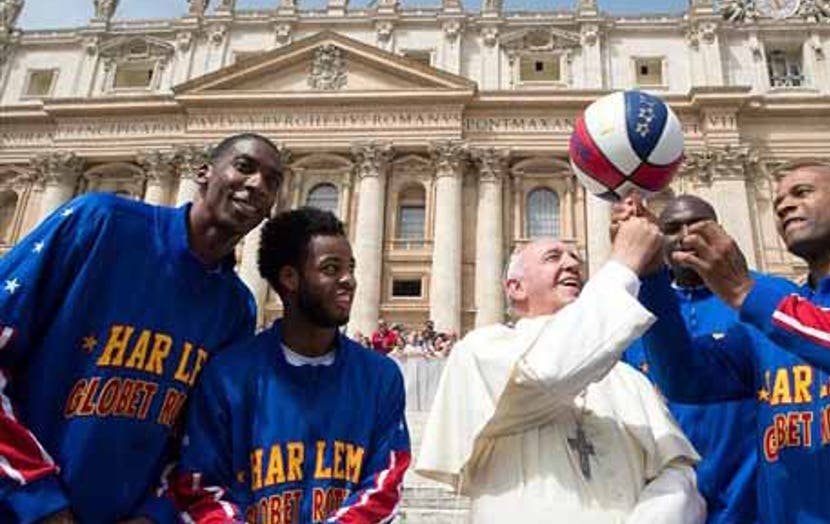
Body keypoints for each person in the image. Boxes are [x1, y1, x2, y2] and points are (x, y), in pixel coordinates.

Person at [0, 133, 283, 523]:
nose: (256, 185)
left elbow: (204, 436)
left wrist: (155, 513)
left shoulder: (236, 307)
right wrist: (38, 498)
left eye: (272, 181)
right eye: (245, 167)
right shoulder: (99, 222)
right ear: (202, 173)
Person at [640, 158, 830, 523]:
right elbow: (683, 378)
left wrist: (749, 294)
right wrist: (650, 277)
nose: (784, 205)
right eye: (777, 203)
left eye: (802, 192)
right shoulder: (772, 318)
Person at [416, 195, 704, 524]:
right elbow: (547, 372)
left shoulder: (627, 379)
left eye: (575, 258)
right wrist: (624, 264)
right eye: (553, 257)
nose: (571, 265)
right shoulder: (481, 349)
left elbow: (678, 476)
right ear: (515, 287)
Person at [170, 207, 410, 523]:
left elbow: (384, 486)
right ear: (289, 278)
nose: (349, 280)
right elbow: (200, 488)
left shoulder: (381, 376)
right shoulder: (227, 375)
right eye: (331, 268)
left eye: (350, 268)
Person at [622, 195, 758, 524]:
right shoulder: (634, 315)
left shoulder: (760, 300)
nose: (686, 235)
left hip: (750, 500)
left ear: (722, 231)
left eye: (697, 225)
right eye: (671, 228)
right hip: (663, 502)